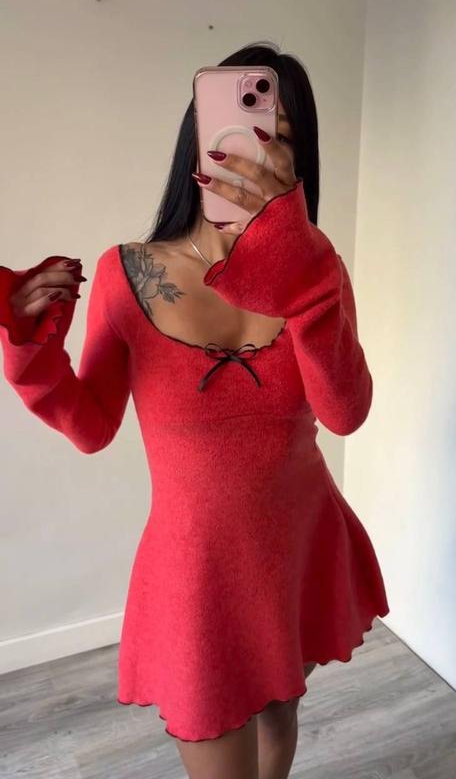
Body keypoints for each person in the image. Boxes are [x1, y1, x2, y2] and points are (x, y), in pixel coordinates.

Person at [0, 42, 390, 779]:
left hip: (300, 543)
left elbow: (344, 414)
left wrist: (302, 269)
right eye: (242, 134)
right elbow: (91, 426)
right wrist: (29, 350)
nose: (256, 156)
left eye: (280, 140)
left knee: (281, 712)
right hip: (195, 570)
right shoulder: (127, 272)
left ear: (301, 163)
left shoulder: (318, 269)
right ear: (200, 141)